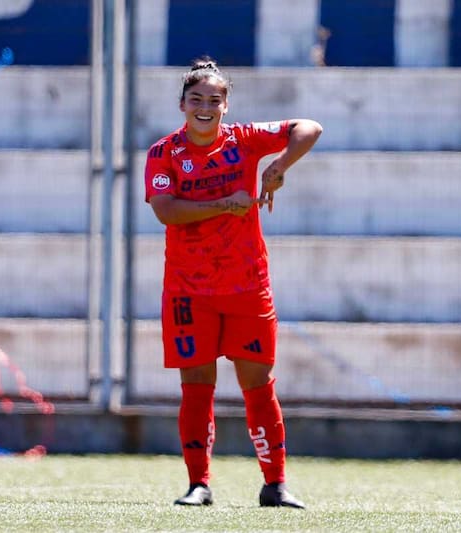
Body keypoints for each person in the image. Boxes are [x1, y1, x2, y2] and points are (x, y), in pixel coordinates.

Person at [144, 56, 322, 508]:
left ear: (226, 106)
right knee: (196, 386)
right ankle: (199, 484)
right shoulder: (163, 153)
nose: (205, 108)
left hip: (247, 285)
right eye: (196, 99)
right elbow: (166, 211)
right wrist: (226, 203)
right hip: (189, 289)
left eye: (214, 100)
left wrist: (279, 165)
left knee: (258, 385)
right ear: (182, 104)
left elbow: (309, 128)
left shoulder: (244, 139)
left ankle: (275, 485)